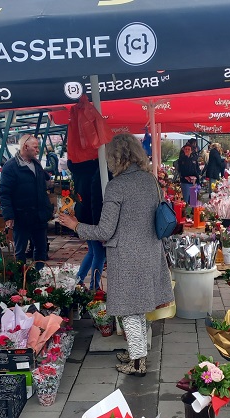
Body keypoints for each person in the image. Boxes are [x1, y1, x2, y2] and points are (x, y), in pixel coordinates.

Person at [57, 134, 173, 376]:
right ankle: (137, 352)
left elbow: (104, 230)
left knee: (130, 309)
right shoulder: (150, 180)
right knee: (139, 308)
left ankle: (138, 363)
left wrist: (74, 225)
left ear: (114, 158)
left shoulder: (117, 185)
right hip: (150, 251)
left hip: (127, 256)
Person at [0, 134, 53, 265]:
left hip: (39, 215)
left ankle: (39, 278)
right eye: (35, 147)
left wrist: (47, 208)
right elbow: (4, 193)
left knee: (41, 250)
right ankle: (21, 279)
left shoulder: (36, 164)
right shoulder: (10, 167)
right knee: (20, 252)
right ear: (25, 147)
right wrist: (9, 216)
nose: (37, 150)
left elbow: (43, 184)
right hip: (21, 215)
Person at [75, 167, 108, 290]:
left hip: (85, 216)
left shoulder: (82, 171)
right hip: (92, 219)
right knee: (99, 254)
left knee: (93, 252)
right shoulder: (97, 175)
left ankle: (79, 280)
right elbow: (96, 203)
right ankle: (94, 287)